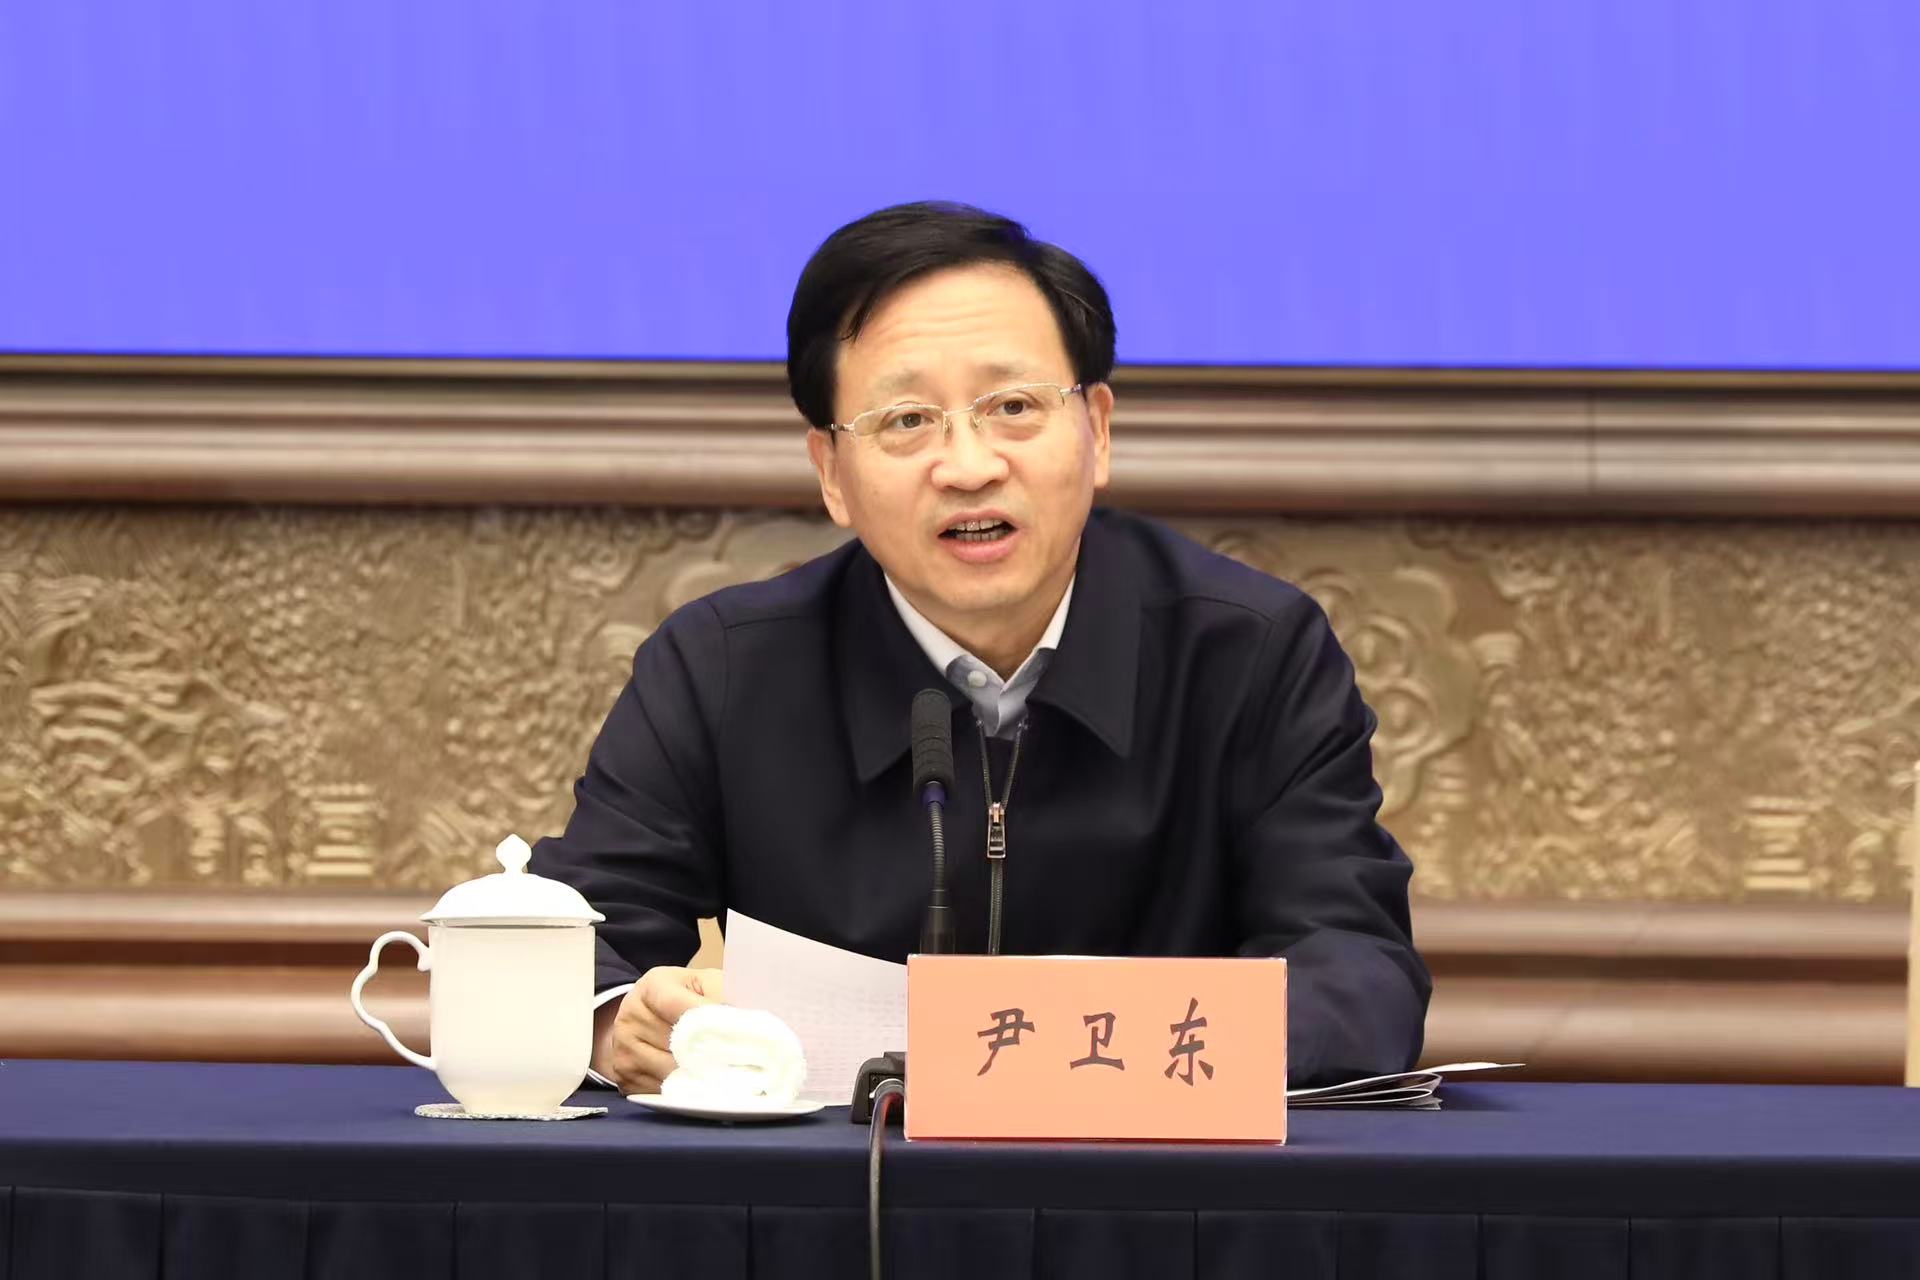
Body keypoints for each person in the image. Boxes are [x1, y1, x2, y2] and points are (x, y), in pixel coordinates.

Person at [531, 202, 1430, 1092]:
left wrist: (1061, 1053)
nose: (968, 466)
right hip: (837, 1177)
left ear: (1098, 430)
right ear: (832, 474)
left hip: (1155, 1172)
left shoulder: (1251, 654)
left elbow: (1357, 975)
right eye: (906, 421)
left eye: (1013, 406)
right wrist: (617, 1023)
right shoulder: (724, 669)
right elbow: (567, 945)